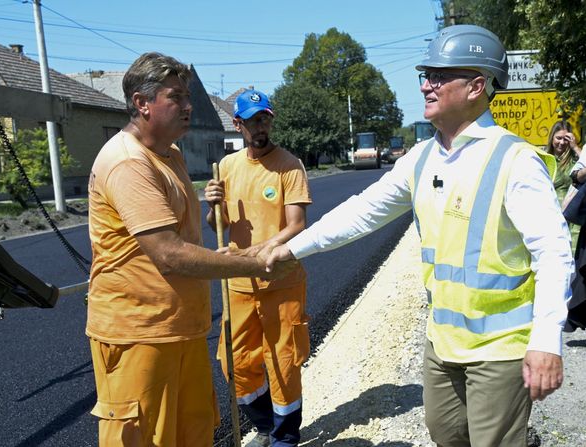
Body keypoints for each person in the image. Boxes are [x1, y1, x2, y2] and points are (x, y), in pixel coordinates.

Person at [265, 25, 574, 446]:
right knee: (446, 433)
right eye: (425, 74)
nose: (426, 84)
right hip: (443, 341)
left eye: (440, 76)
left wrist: (546, 340)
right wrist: (292, 248)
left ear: (477, 86)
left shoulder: (515, 161)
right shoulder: (422, 157)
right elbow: (363, 212)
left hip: (501, 346)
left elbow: (554, 253)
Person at [86, 52, 295, 447]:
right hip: (140, 333)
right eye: (176, 96)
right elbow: (170, 254)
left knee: (193, 432)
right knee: (144, 437)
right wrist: (251, 262)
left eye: (187, 96)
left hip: (180, 326)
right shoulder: (128, 163)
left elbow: (184, 235)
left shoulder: (170, 155)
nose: (188, 105)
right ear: (142, 104)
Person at [203, 89, 312, 447]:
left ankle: (284, 438)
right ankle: (264, 424)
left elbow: (296, 225)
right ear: (238, 124)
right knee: (235, 362)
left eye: (264, 118)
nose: (260, 127)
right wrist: (213, 205)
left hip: (281, 282)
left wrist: (257, 253)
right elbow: (215, 224)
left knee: (282, 361)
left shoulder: (289, 166)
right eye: (252, 121)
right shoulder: (227, 168)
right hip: (237, 285)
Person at [546, 120, 582, 248]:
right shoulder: (543, 158)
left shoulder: (575, 160)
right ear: (552, 138)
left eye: (566, 139)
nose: (562, 142)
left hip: (570, 220)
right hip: (548, 217)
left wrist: (575, 147)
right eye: (558, 138)